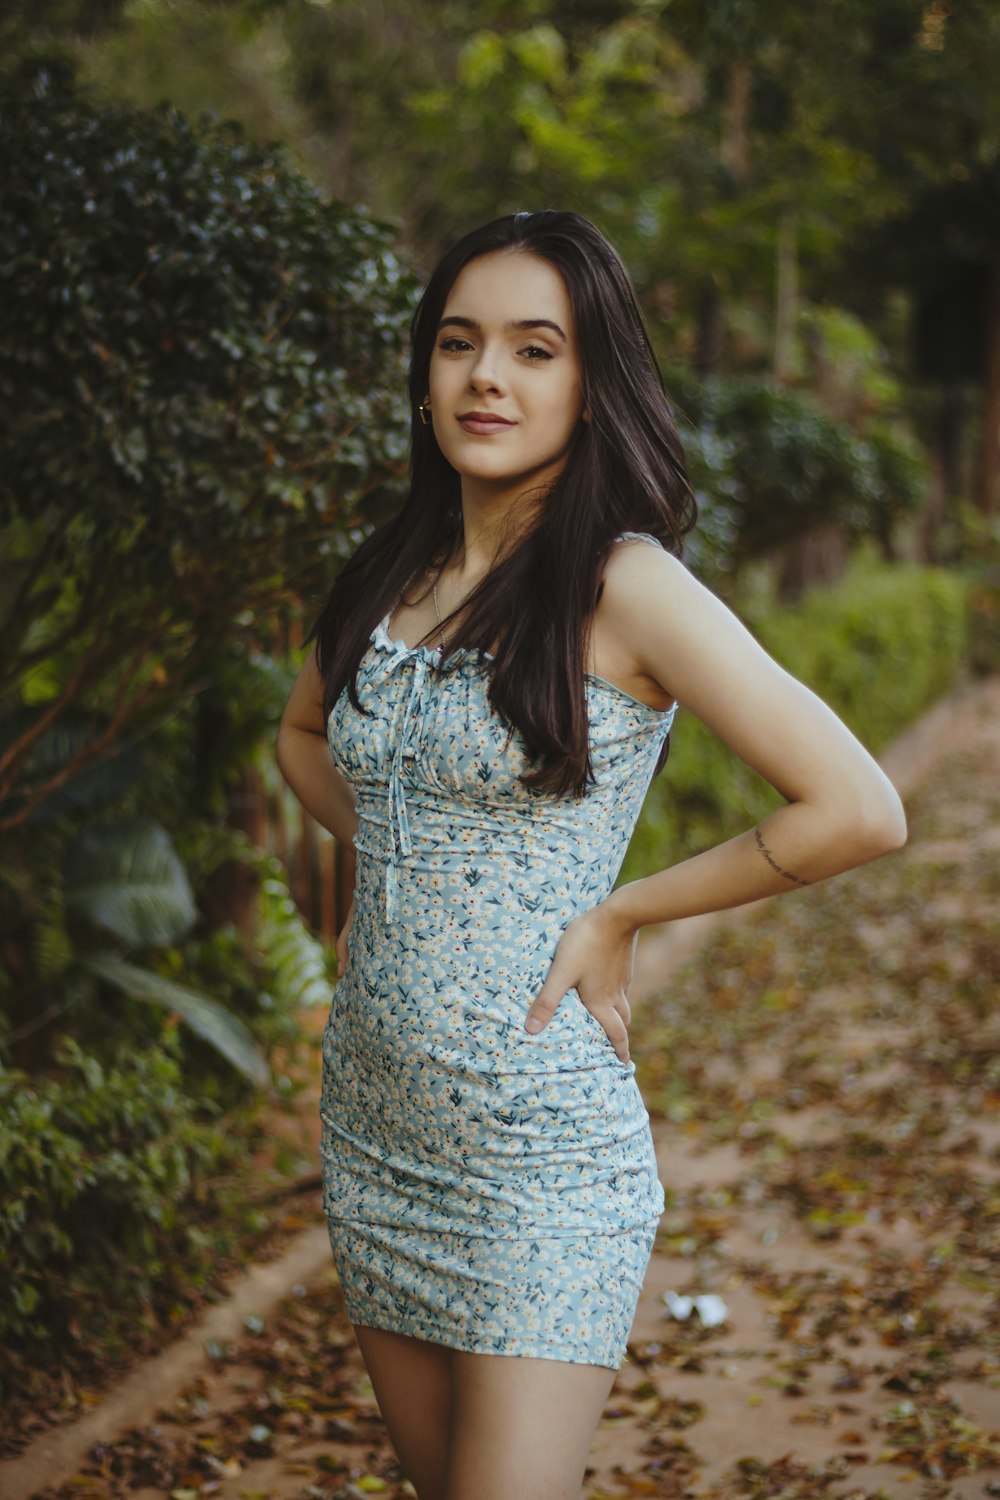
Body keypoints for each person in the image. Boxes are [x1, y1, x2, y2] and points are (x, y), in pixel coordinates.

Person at [275, 209, 906, 1500]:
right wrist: (418, 856)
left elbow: (855, 806)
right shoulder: (392, 573)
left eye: (533, 347)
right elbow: (299, 737)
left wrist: (622, 913)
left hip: (537, 1150)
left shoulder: (626, 587)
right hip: (378, 1130)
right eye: (458, 343)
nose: (486, 377)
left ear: (591, 376)